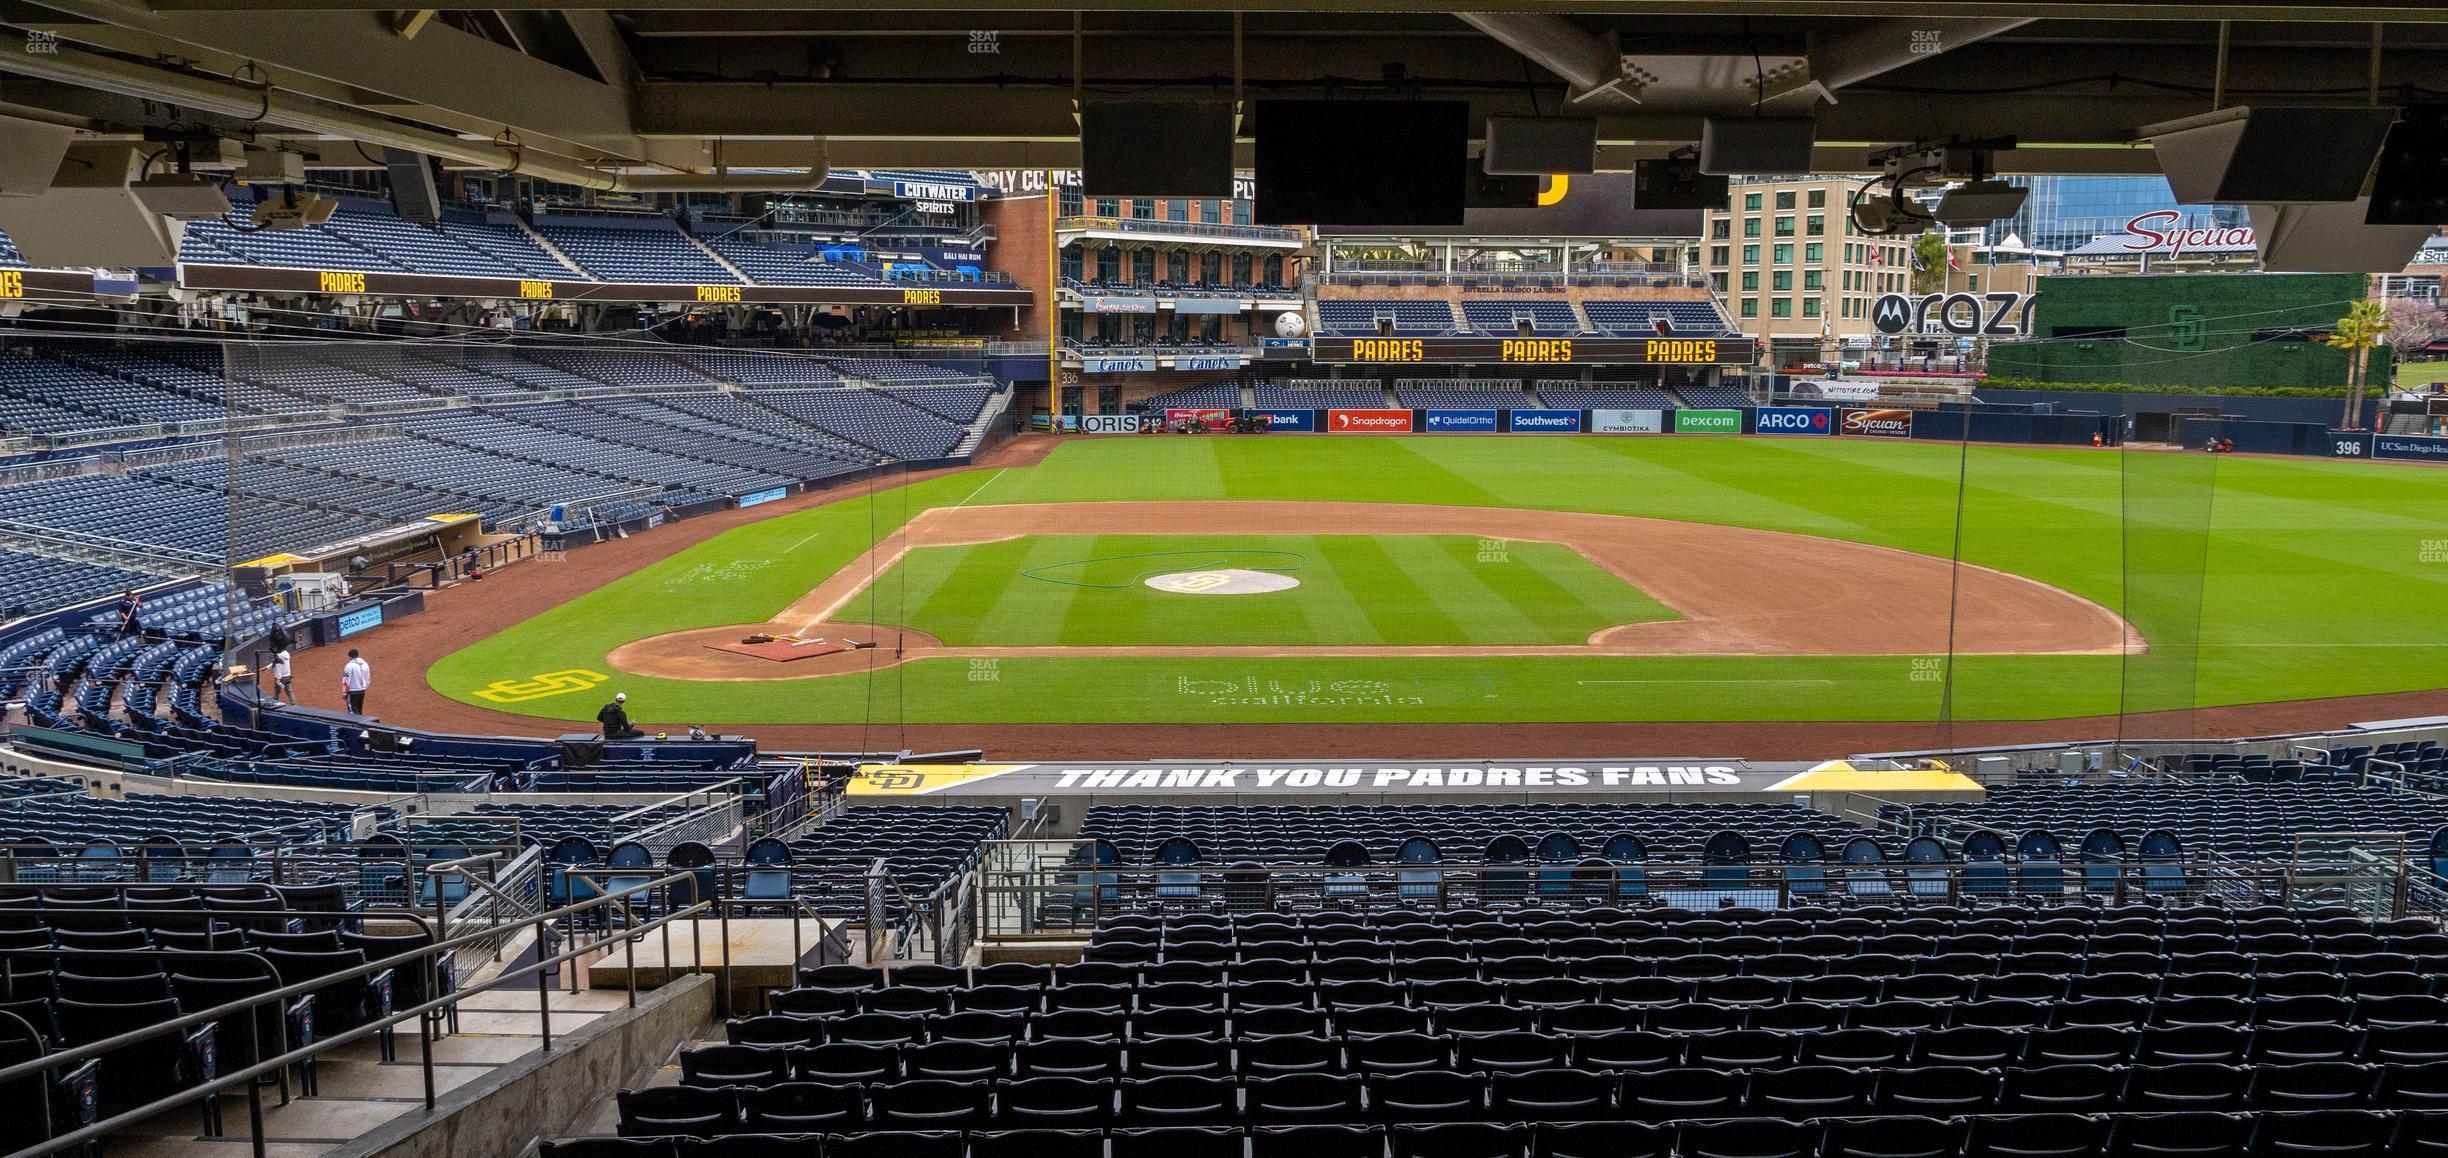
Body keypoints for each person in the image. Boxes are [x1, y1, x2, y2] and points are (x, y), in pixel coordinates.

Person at [340, 649, 371, 714]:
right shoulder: (365, 664)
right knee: (359, 710)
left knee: (353, 712)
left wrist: (344, 693)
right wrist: (364, 686)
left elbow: (346, 680)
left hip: (352, 692)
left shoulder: (349, 666)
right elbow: (368, 677)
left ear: (350, 656)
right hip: (362, 690)